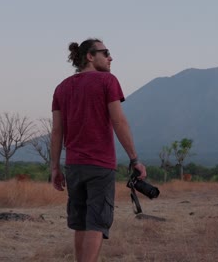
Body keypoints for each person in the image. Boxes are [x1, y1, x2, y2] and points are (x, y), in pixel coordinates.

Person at [50, 38, 147, 262]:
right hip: (99, 165)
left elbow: (56, 131)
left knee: (81, 223)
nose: (110, 57)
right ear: (90, 56)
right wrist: (135, 159)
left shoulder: (61, 88)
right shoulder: (107, 81)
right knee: (95, 222)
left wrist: (55, 167)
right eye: (106, 53)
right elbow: (119, 122)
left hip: (73, 166)